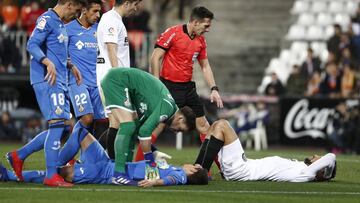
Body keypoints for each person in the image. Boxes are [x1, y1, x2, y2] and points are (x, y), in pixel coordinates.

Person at [6, 0, 85, 187]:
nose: (77, 15)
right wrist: (47, 62)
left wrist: (70, 65)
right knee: (58, 124)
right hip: (47, 79)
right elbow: (32, 44)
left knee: (65, 126)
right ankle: (51, 176)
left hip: (60, 80)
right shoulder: (46, 19)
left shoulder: (60, 24)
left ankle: (19, 156)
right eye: (76, 10)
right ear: (68, 4)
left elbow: (56, 51)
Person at [144, 6, 223, 162]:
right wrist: (156, 85)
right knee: (158, 126)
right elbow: (155, 57)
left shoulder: (201, 41)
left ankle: (205, 167)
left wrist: (214, 88)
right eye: (206, 25)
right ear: (195, 22)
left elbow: (205, 66)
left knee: (204, 126)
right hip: (169, 87)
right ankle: (140, 162)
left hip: (188, 88)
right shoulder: (173, 33)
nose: (208, 29)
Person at [100, 68, 197, 185]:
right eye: (180, 129)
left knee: (132, 127)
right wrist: (150, 162)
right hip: (117, 81)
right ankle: (118, 174)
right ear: (180, 118)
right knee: (128, 125)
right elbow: (144, 131)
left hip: (121, 82)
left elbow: (140, 130)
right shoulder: (167, 107)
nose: (176, 132)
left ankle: (124, 167)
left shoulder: (166, 106)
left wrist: (154, 150)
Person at [194, 119, 337, 182]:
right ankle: (198, 169)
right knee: (214, 127)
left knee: (222, 125)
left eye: (319, 158)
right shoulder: (302, 167)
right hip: (244, 165)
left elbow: (331, 156)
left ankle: (200, 173)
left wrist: (326, 175)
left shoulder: (306, 175)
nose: (316, 156)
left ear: (322, 170)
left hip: (242, 170)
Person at [96, 0, 142, 159]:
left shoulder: (114, 19)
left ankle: (106, 159)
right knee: (123, 123)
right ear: (128, 3)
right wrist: (117, 76)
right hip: (113, 79)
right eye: (136, 4)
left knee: (116, 123)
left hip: (112, 78)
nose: (136, 9)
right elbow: (111, 48)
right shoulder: (111, 19)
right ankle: (116, 164)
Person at [62, 0, 106, 163]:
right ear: (84, 10)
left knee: (97, 122)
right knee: (86, 118)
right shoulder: (68, 30)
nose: (98, 15)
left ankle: (86, 158)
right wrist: (69, 64)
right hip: (78, 82)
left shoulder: (100, 31)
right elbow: (58, 54)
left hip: (97, 83)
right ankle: (64, 157)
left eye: (99, 12)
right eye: (95, 11)